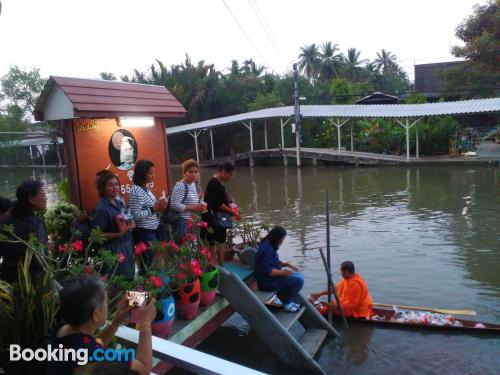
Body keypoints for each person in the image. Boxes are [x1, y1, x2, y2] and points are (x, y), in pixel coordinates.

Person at [46, 274, 156, 375]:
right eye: (105, 302)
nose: (107, 305)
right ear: (96, 314)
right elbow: (143, 368)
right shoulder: (97, 355)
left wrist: (116, 321)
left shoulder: (62, 331)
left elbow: (94, 346)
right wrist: (146, 323)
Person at [0, 180, 48, 283]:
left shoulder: (6, 219)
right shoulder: (35, 224)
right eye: (43, 195)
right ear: (31, 199)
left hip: (7, 277)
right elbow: (41, 256)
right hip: (30, 281)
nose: (46, 198)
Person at [92, 173, 135, 280]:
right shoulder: (102, 208)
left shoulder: (119, 203)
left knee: (129, 279)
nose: (115, 188)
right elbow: (96, 235)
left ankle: (134, 296)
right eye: (110, 185)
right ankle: (129, 297)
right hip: (114, 251)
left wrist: (130, 224)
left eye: (116, 184)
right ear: (102, 188)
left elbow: (124, 221)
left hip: (127, 246)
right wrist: (118, 234)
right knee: (118, 282)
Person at [129, 160, 167, 270]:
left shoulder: (145, 189)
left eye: (153, 173)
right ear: (142, 174)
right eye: (150, 173)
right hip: (145, 232)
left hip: (153, 230)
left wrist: (160, 205)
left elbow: (150, 208)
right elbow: (136, 215)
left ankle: (153, 284)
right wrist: (154, 208)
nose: (153, 176)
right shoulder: (136, 190)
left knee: (155, 262)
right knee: (149, 264)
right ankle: (147, 286)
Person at [254, 226, 303, 313]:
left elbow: (273, 262)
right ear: (277, 238)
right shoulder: (267, 249)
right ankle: (287, 303)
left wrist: (287, 264)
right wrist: (283, 273)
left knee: (298, 276)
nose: (282, 241)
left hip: (270, 279)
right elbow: (268, 271)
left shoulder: (268, 245)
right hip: (267, 283)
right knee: (299, 280)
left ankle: (286, 300)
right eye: (282, 239)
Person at [202, 162, 238, 266]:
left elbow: (221, 199)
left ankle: (217, 267)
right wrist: (233, 212)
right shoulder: (214, 183)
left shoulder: (219, 182)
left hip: (216, 218)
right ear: (223, 171)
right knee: (215, 244)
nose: (231, 177)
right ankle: (216, 267)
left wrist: (229, 201)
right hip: (213, 219)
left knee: (216, 243)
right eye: (230, 174)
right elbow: (219, 204)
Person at [168, 159, 206, 242]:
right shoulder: (180, 186)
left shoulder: (192, 184)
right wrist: (192, 207)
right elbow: (174, 205)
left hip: (190, 221)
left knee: (189, 248)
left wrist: (200, 206)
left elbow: (191, 202)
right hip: (181, 222)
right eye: (190, 172)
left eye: (196, 172)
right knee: (182, 249)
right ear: (184, 173)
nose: (193, 174)